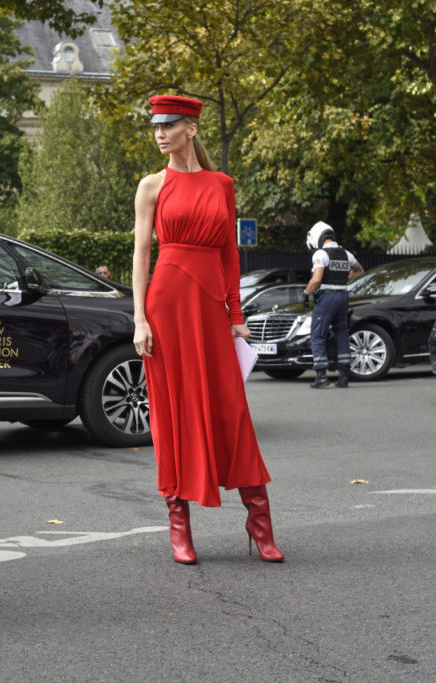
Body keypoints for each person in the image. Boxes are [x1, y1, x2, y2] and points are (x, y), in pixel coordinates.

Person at [131, 95, 284, 565]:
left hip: (211, 310)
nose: (160, 133)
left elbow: (229, 256)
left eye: (169, 125)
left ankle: (260, 523)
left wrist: (236, 316)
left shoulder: (222, 184)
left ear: (191, 129)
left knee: (231, 412)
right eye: (156, 126)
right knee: (173, 414)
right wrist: (138, 318)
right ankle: (179, 526)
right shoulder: (151, 186)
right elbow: (140, 255)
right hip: (166, 307)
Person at [302, 221, 364, 389]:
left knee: (318, 335)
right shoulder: (346, 254)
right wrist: (344, 278)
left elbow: (316, 280)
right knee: (342, 333)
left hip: (327, 298)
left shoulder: (320, 255)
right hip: (343, 297)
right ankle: (344, 376)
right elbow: (359, 271)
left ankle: (321, 377)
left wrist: (306, 293)